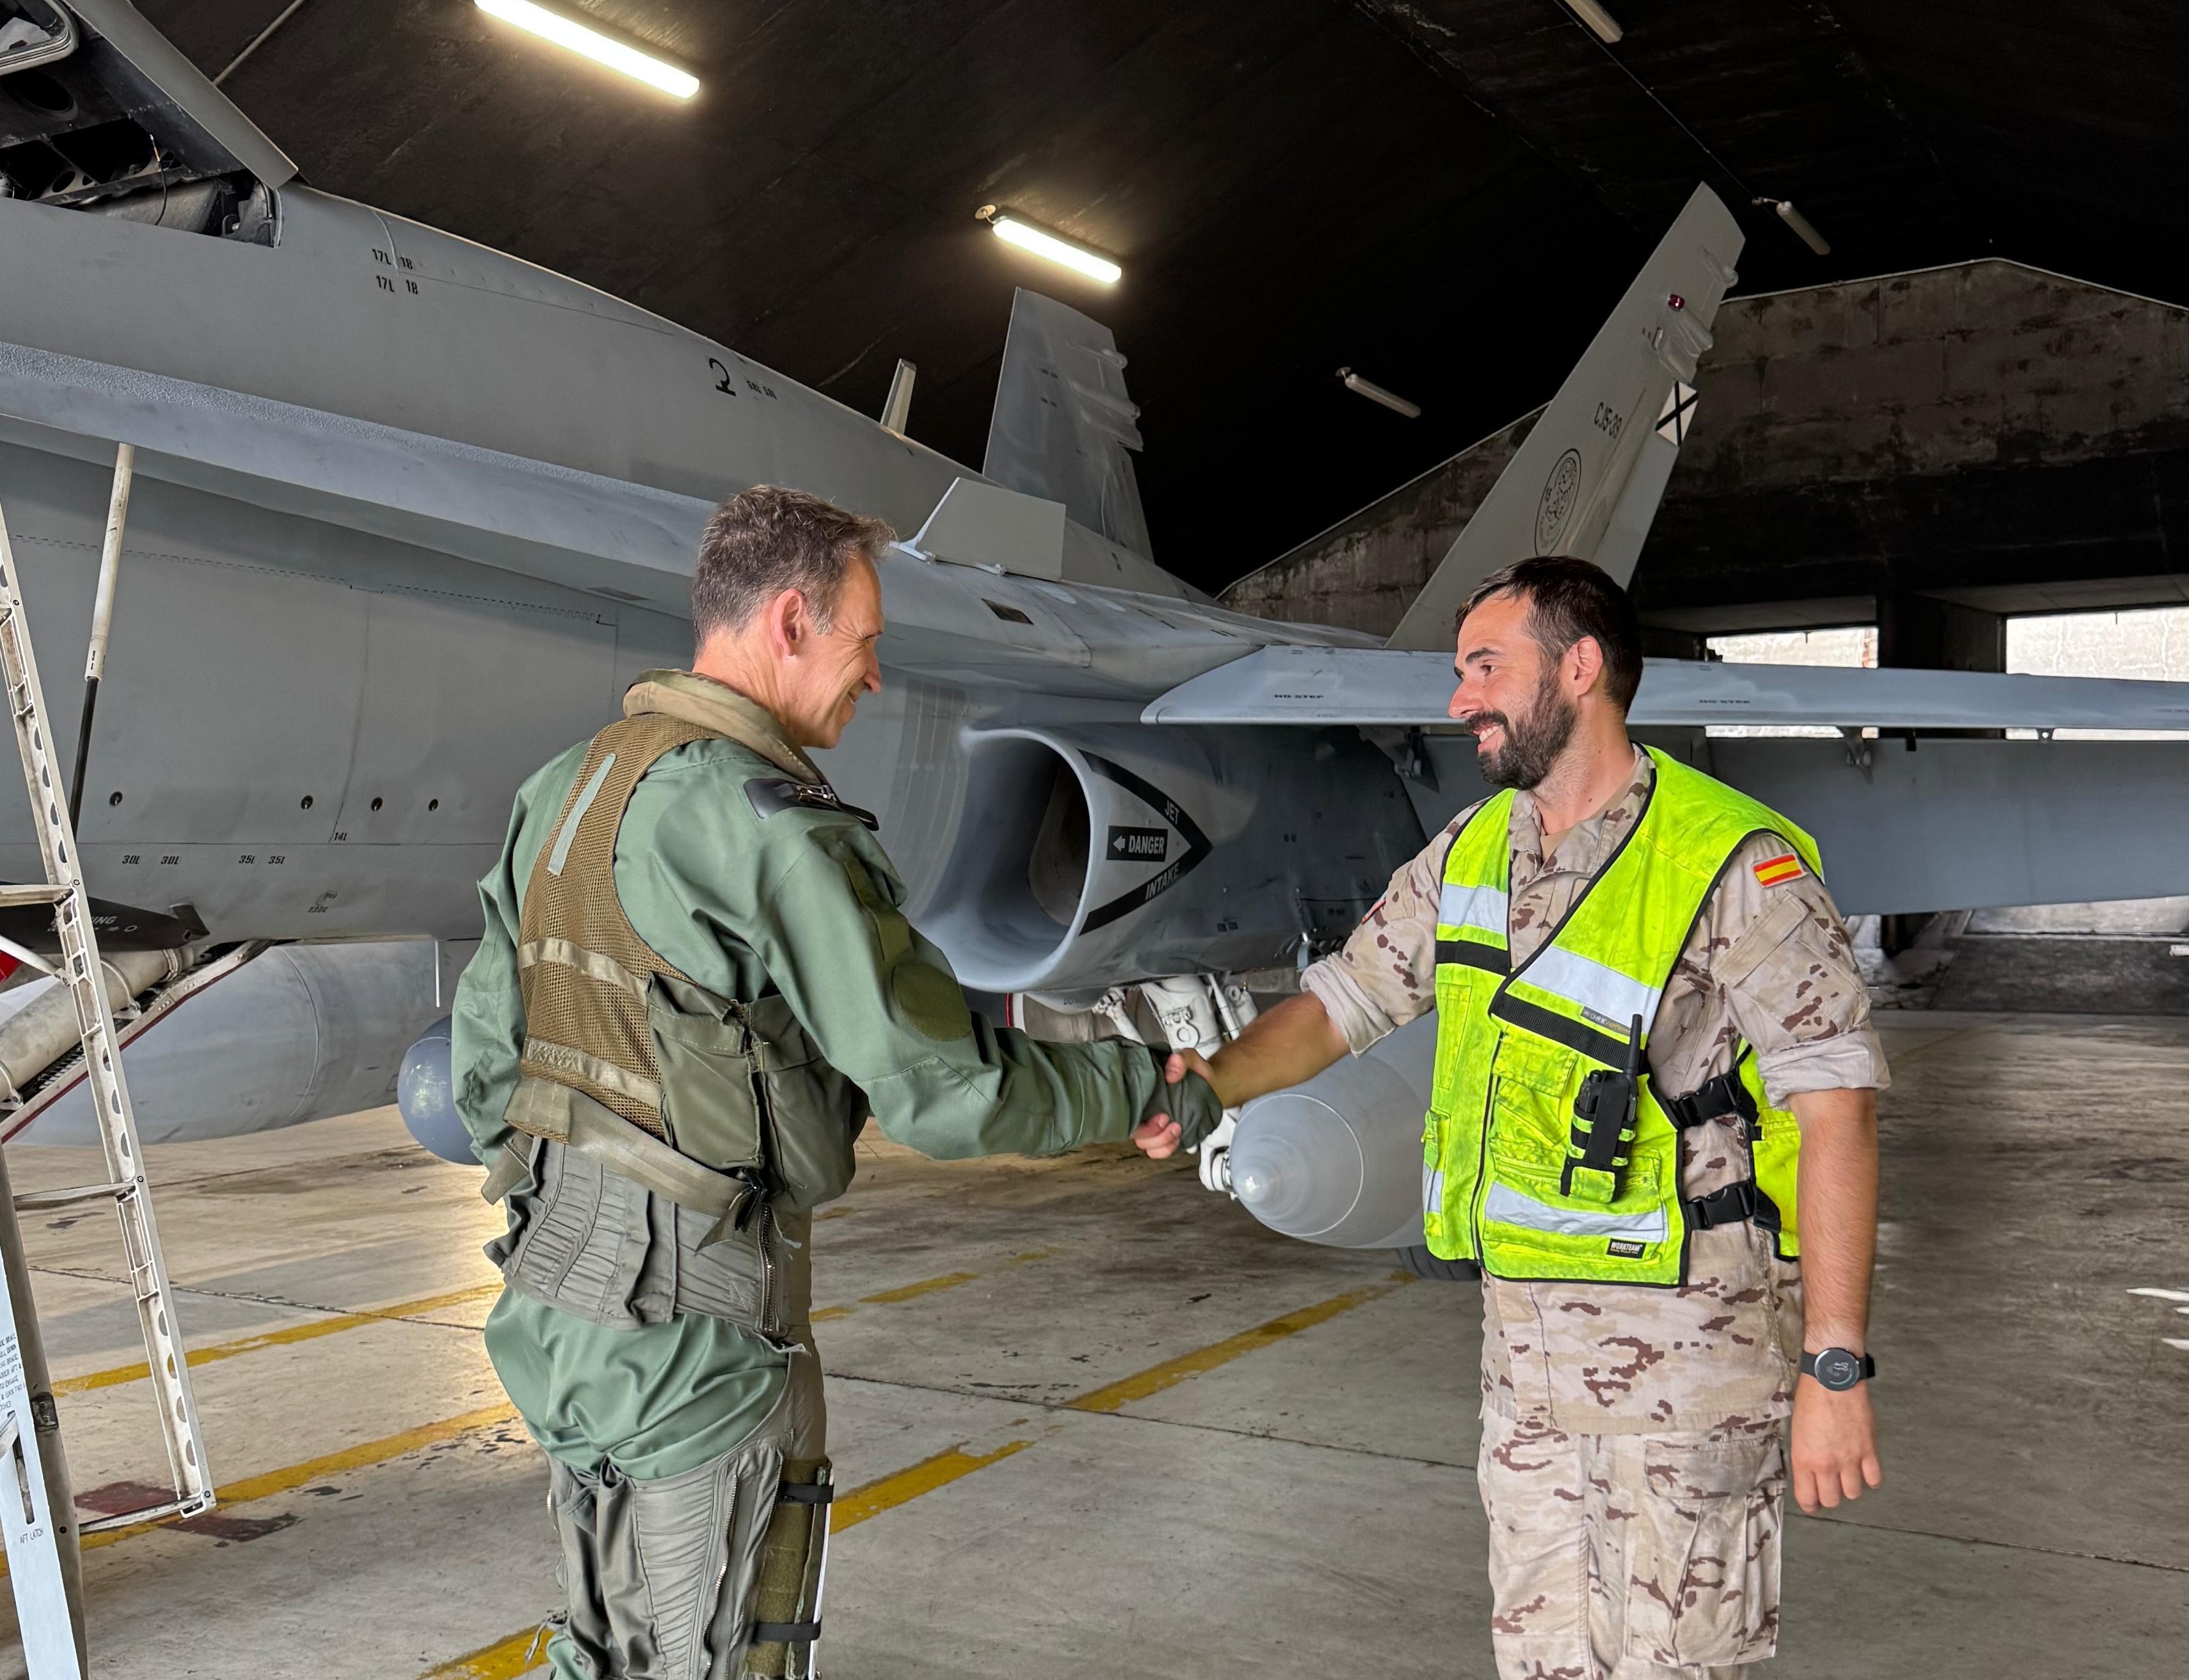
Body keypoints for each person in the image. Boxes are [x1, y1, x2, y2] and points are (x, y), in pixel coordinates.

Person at [451, 484, 1218, 1680]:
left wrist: (576, 1229)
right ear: (793, 621)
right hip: (690, 1330)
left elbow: (485, 1065)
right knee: (715, 1657)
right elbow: (937, 1089)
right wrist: (1140, 1090)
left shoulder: (564, 789)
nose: (871, 681)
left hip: (560, 1312)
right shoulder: (763, 825)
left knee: (603, 1651)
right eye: (864, 645)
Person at [1138, 556, 1886, 1680]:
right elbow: (1341, 1006)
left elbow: (1837, 1111)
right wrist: (1210, 1085)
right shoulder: (1474, 853)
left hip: (1688, 1370)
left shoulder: (1733, 863)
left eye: (1486, 666)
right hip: (1525, 1365)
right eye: (1458, 672)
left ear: (1580, 668)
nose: (1457, 700)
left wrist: (1836, 1367)